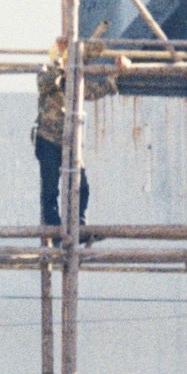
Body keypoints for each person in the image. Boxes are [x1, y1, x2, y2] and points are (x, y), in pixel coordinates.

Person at [33, 31, 125, 236]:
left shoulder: (74, 80)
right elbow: (44, 82)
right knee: (50, 190)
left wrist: (117, 71)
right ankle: (54, 232)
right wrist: (59, 61)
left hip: (69, 141)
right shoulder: (48, 71)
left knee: (81, 186)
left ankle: (79, 227)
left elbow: (97, 90)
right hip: (48, 139)